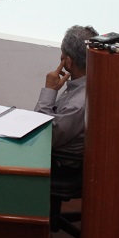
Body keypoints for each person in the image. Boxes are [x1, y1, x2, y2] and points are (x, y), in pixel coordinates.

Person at [35, 24, 98, 173]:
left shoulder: (78, 103)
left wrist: (50, 90)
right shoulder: (90, 83)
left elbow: (41, 136)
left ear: (68, 61)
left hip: (59, 166)